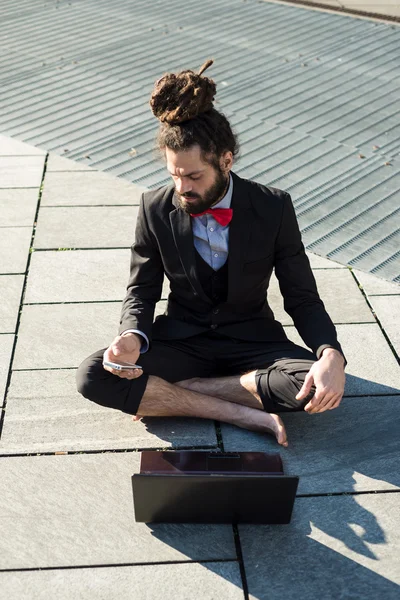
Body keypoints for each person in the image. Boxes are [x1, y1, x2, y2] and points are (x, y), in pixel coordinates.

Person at [76, 59, 346, 447]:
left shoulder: (273, 207)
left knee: (315, 383)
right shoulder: (155, 207)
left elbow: (302, 296)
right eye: (174, 175)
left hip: (252, 341)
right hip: (183, 340)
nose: (182, 187)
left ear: (226, 160)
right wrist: (131, 336)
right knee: (93, 374)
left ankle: (179, 394)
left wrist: (330, 353)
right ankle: (240, 412)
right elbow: (142, 289)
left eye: (193, 176)